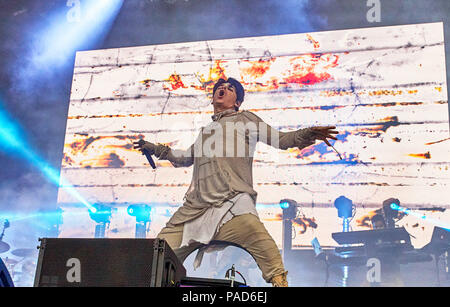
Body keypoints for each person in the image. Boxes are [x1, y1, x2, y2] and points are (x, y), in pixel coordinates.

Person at [133, 77, 338, 286]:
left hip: (232, 206)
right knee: (158, 256)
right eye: (220, 88)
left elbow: (282, 139)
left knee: (267, 251)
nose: (223, 89)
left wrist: (309, 133)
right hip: (194, 212)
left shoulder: (247, 120)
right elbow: (184, 158)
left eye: (230, 89)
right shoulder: (205, 132)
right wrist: (154, 148)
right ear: (213, 98)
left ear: (237, 102)